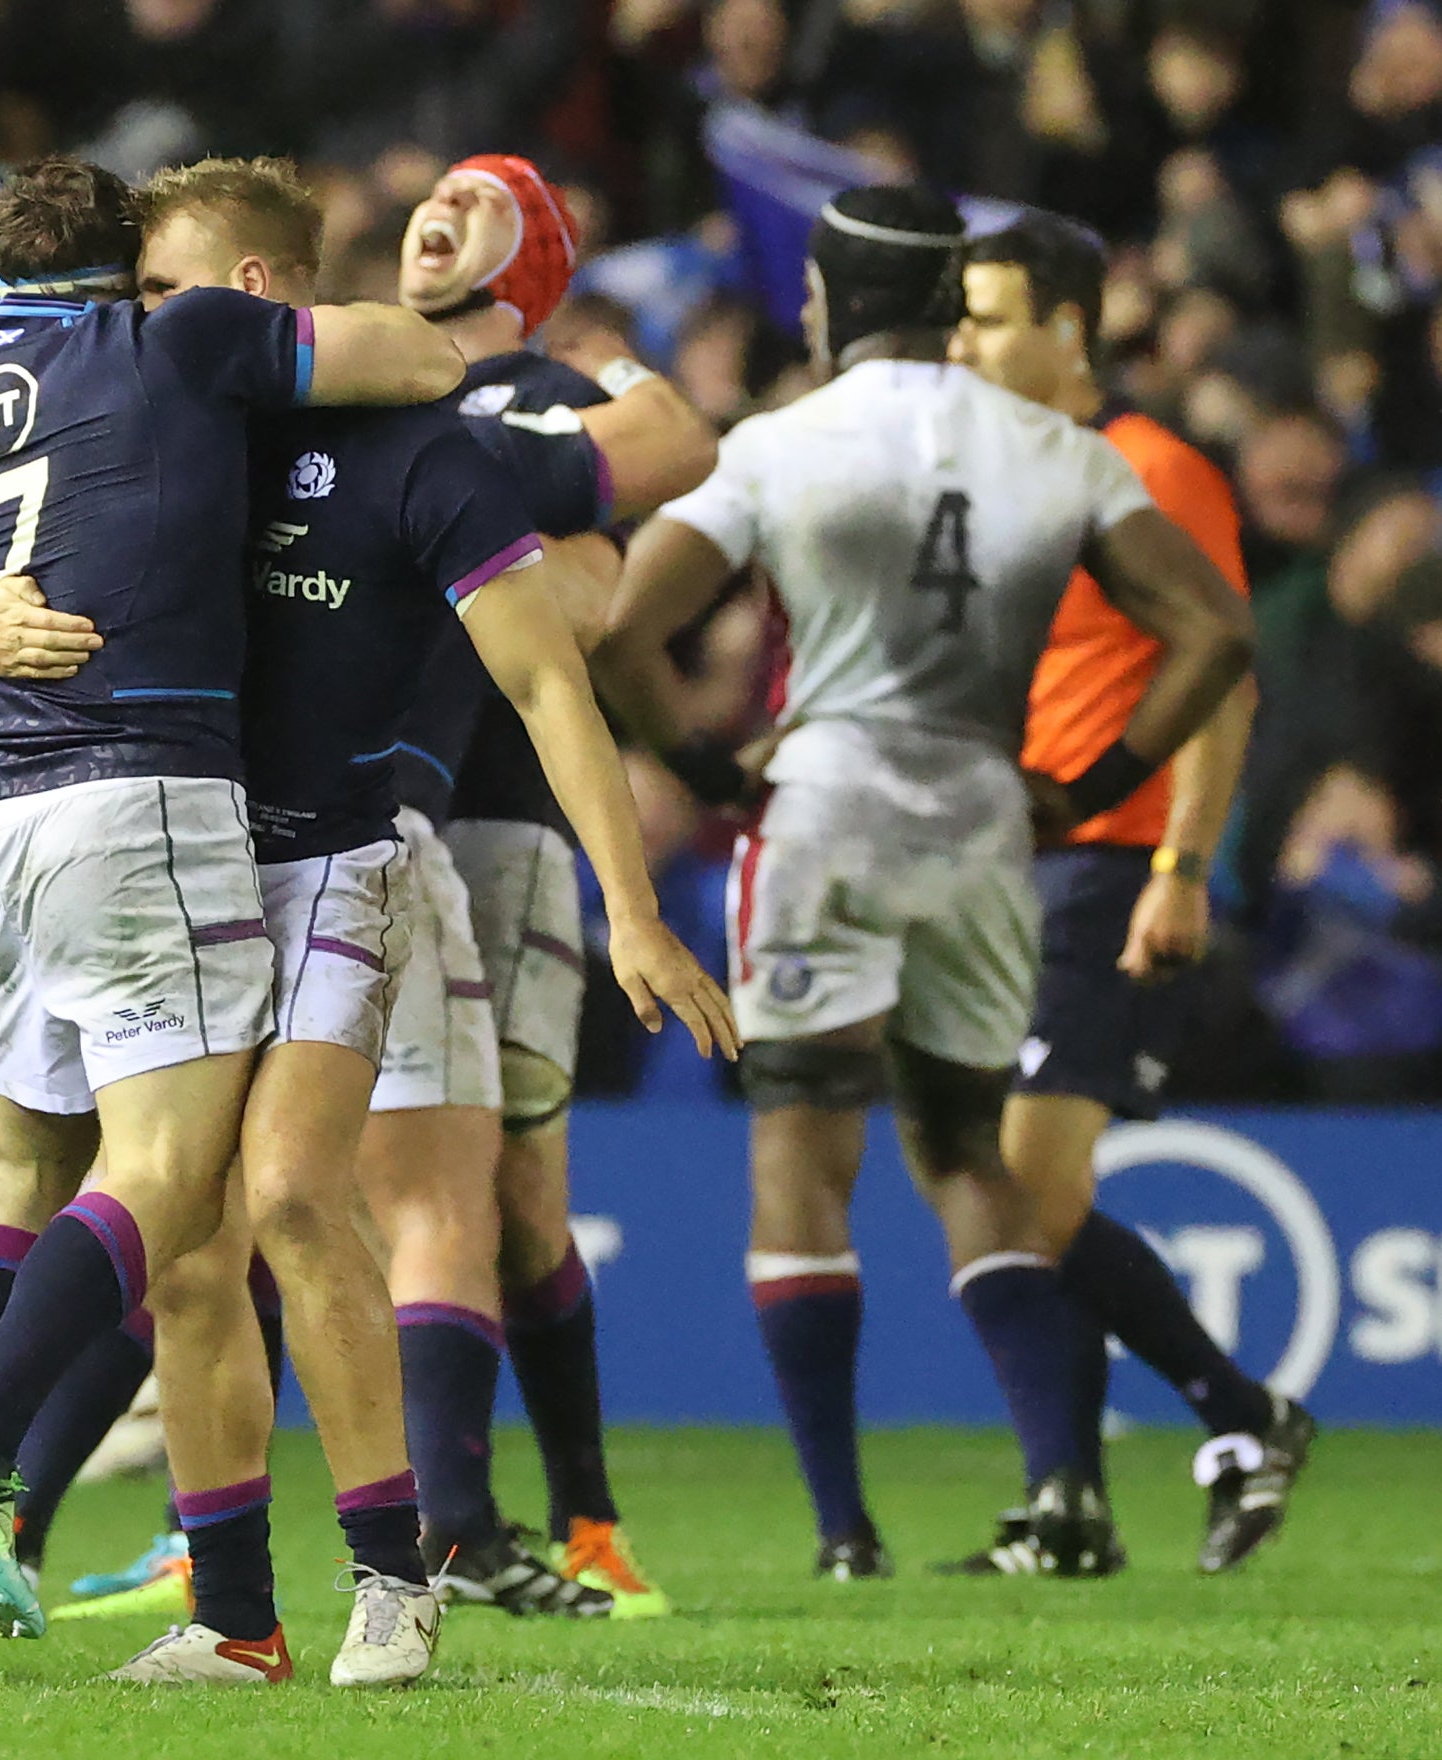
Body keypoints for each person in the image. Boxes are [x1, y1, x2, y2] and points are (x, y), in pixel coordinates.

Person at [0, 155, 733, 1683]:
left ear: (247, 296)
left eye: (165, 293)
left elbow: (545, 680)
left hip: (336, 867)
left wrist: (630, 908)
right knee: (186, 1245)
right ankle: (237, 1622)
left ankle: (396, 1576)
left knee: (298, 1194)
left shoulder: (426, 455)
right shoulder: (176, 436)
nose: (141, 324)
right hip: (182, 854)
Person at [593, 185, 1255, 1581]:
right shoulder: (1058, 451)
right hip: (982, 823)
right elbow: (1210, 633)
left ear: (828, 302)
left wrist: (715, 774)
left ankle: (844, 1531)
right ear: (952, 306)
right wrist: (1086, 781)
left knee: (801, 1153)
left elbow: (623, 628)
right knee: (967, 1151)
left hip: (825, 809)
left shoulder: (781, 443)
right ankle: (1064, 1485)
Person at [0, 153, 465, 1677]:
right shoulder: (183, 347)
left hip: (19, 815)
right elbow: (418, 346)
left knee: (84, 1175)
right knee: (177, 1189)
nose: (158, 308)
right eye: (143, 282)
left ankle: (201, 1581)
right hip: (149, 798)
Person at [373, 153, 719, 1616]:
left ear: (540, 258)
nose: (436, 211)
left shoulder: (541, 399)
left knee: (509, 1186)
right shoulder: (364, 376)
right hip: (357, 810)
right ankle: (248, 1526)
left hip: (503, 824)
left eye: (484, 202)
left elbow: (640, 508)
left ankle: (577, 1520)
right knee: (320, 1185)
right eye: (430, 196)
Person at [952, 214, 1311, 1575]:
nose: (964, 342)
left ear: (1070, 328)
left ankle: (1233, 1414)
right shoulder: (998, 479)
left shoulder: (1151, 469)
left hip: (1114, 866)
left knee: (1025, 1194)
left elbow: (1221, 673)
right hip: (1007, 867)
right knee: (1011, 1192)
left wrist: (1181, 865)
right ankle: (1085, 1499)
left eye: (988, 315)